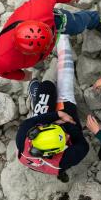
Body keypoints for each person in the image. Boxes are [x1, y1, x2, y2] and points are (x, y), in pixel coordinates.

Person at [0, 0, 101, 81]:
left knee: (77, 25)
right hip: (37, 50)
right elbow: (2, 72)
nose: (52, 41)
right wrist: (22, 76)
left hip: (55, 22)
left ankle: (94, 18)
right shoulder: (3, 60)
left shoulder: (40, 10)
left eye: (50, 40)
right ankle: (40, 58)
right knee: (37, 60)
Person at [15, 35, 89, 177]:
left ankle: (41, 85)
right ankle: (63, 36)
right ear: (55, 152)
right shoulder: (65, 158)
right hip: (69, 130)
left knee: (46, 88)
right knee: (66, 89)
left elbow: (31, 121)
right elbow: (83, 145)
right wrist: (69, 126)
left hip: (45, 128)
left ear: (36, 132)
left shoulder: (22, 138)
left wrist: (57, 116)